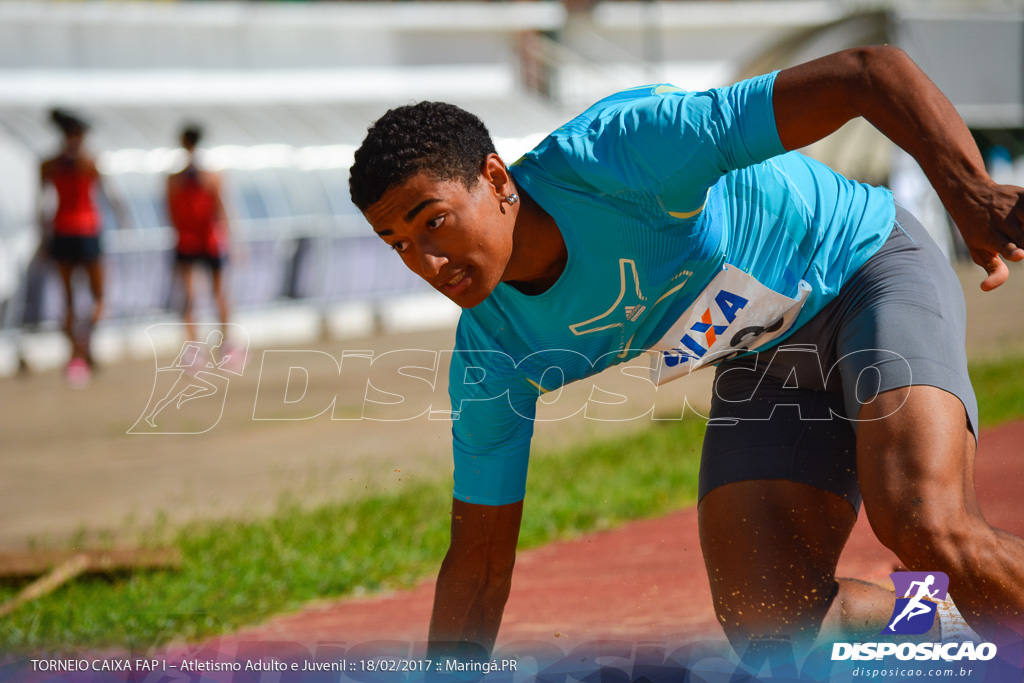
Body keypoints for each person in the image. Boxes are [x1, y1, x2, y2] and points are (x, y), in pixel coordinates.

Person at [348, 45, 1024, 662]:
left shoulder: (622, 156)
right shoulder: (492, 353)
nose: (425, 261)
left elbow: (868, 74)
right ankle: (944, 622)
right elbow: (479, 562)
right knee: (769, 621)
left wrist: (968, 187)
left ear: (495, 178)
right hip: (765, 356)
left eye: (432, 220)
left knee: (926, 522)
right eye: (396, 241)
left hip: (863, 270)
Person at [39, 109, 105, 387]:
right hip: (87, 231)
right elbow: (108, 196)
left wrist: (44, 238)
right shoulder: (89, 162)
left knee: (68, 300)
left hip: (61, 231)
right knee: (99, 298)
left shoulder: (48, 164)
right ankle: (83, 347)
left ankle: (76, 355)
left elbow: (41, 207)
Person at [166, 124, 232, 346]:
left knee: (209, 295)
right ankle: (209, 346)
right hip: (194, 241)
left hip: (203, 241)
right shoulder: (193, 178)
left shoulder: (201, 177)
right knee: (200, 296)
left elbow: (219, 209)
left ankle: (221, 344)